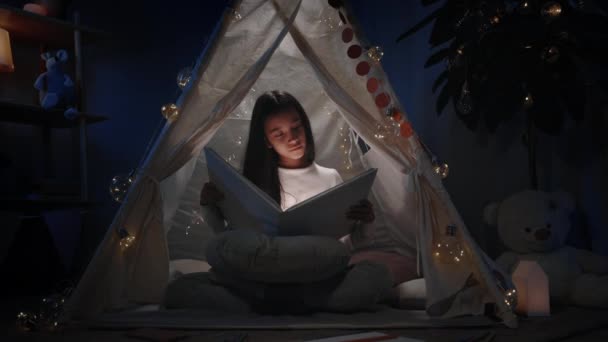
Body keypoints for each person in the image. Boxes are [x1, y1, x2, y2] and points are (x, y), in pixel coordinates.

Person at [165, 91, 416, 313]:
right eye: (279, 133)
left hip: (313, 273)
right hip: (262, 271)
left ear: (305, 125)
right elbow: (229, 238)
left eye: (297, 127)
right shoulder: (249, 181)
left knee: (374, 274)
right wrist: (211, 207)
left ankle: (262, 302)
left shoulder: (330, 177)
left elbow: (345, 247)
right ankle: (302, 302)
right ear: (267, 141)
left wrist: (365, 223)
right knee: (207, 261)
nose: (293, 138)